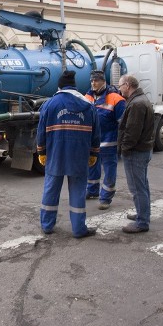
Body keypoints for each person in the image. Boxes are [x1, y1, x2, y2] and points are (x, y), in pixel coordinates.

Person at [36, 70, 100, 238]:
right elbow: (96, 134)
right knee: (78, 192)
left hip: (56, 155)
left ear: (59, 86)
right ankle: (79, 229)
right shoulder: (88, 105)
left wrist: (42, 152)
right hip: (79, 155)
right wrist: (93, 153)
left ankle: (47, 226)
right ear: (74, 85)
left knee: (51, 190)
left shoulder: (50, 104)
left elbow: (40, 132)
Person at [117, 74, 155, 233]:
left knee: (137, 188)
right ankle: (143, 213)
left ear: (127, 85)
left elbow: (132, 132)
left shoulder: (136, 104)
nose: (119, 89)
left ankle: (142, 222)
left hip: (135, 152)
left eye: (120, 86)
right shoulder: (140, 100)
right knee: (142, 185)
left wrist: (123, 149)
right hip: (142, 150)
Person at [84, 70, 126, 210]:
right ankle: (92, 190)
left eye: (96, 81)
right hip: (92, 142)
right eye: (91, 81)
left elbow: (123, 124)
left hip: (109, 142)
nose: (93, 83)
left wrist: (122, 144)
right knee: (92, 167)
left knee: (109, 170)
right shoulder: (87, 97)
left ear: (104, 81)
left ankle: (106, 197)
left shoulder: (116, 99)